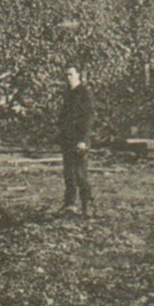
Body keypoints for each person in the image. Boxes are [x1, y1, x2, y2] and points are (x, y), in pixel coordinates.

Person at [58, 65, 95, 215]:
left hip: (79, 140)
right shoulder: (68, 93)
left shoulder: (84, 93)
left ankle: (88, 206)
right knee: (69, 174)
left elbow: (88, 118)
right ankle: (70, 205)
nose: (68, 78)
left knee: (80, 174)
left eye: (71, 75)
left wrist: (83, 140)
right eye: (66, 75)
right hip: (67, 139)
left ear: (78, 75)